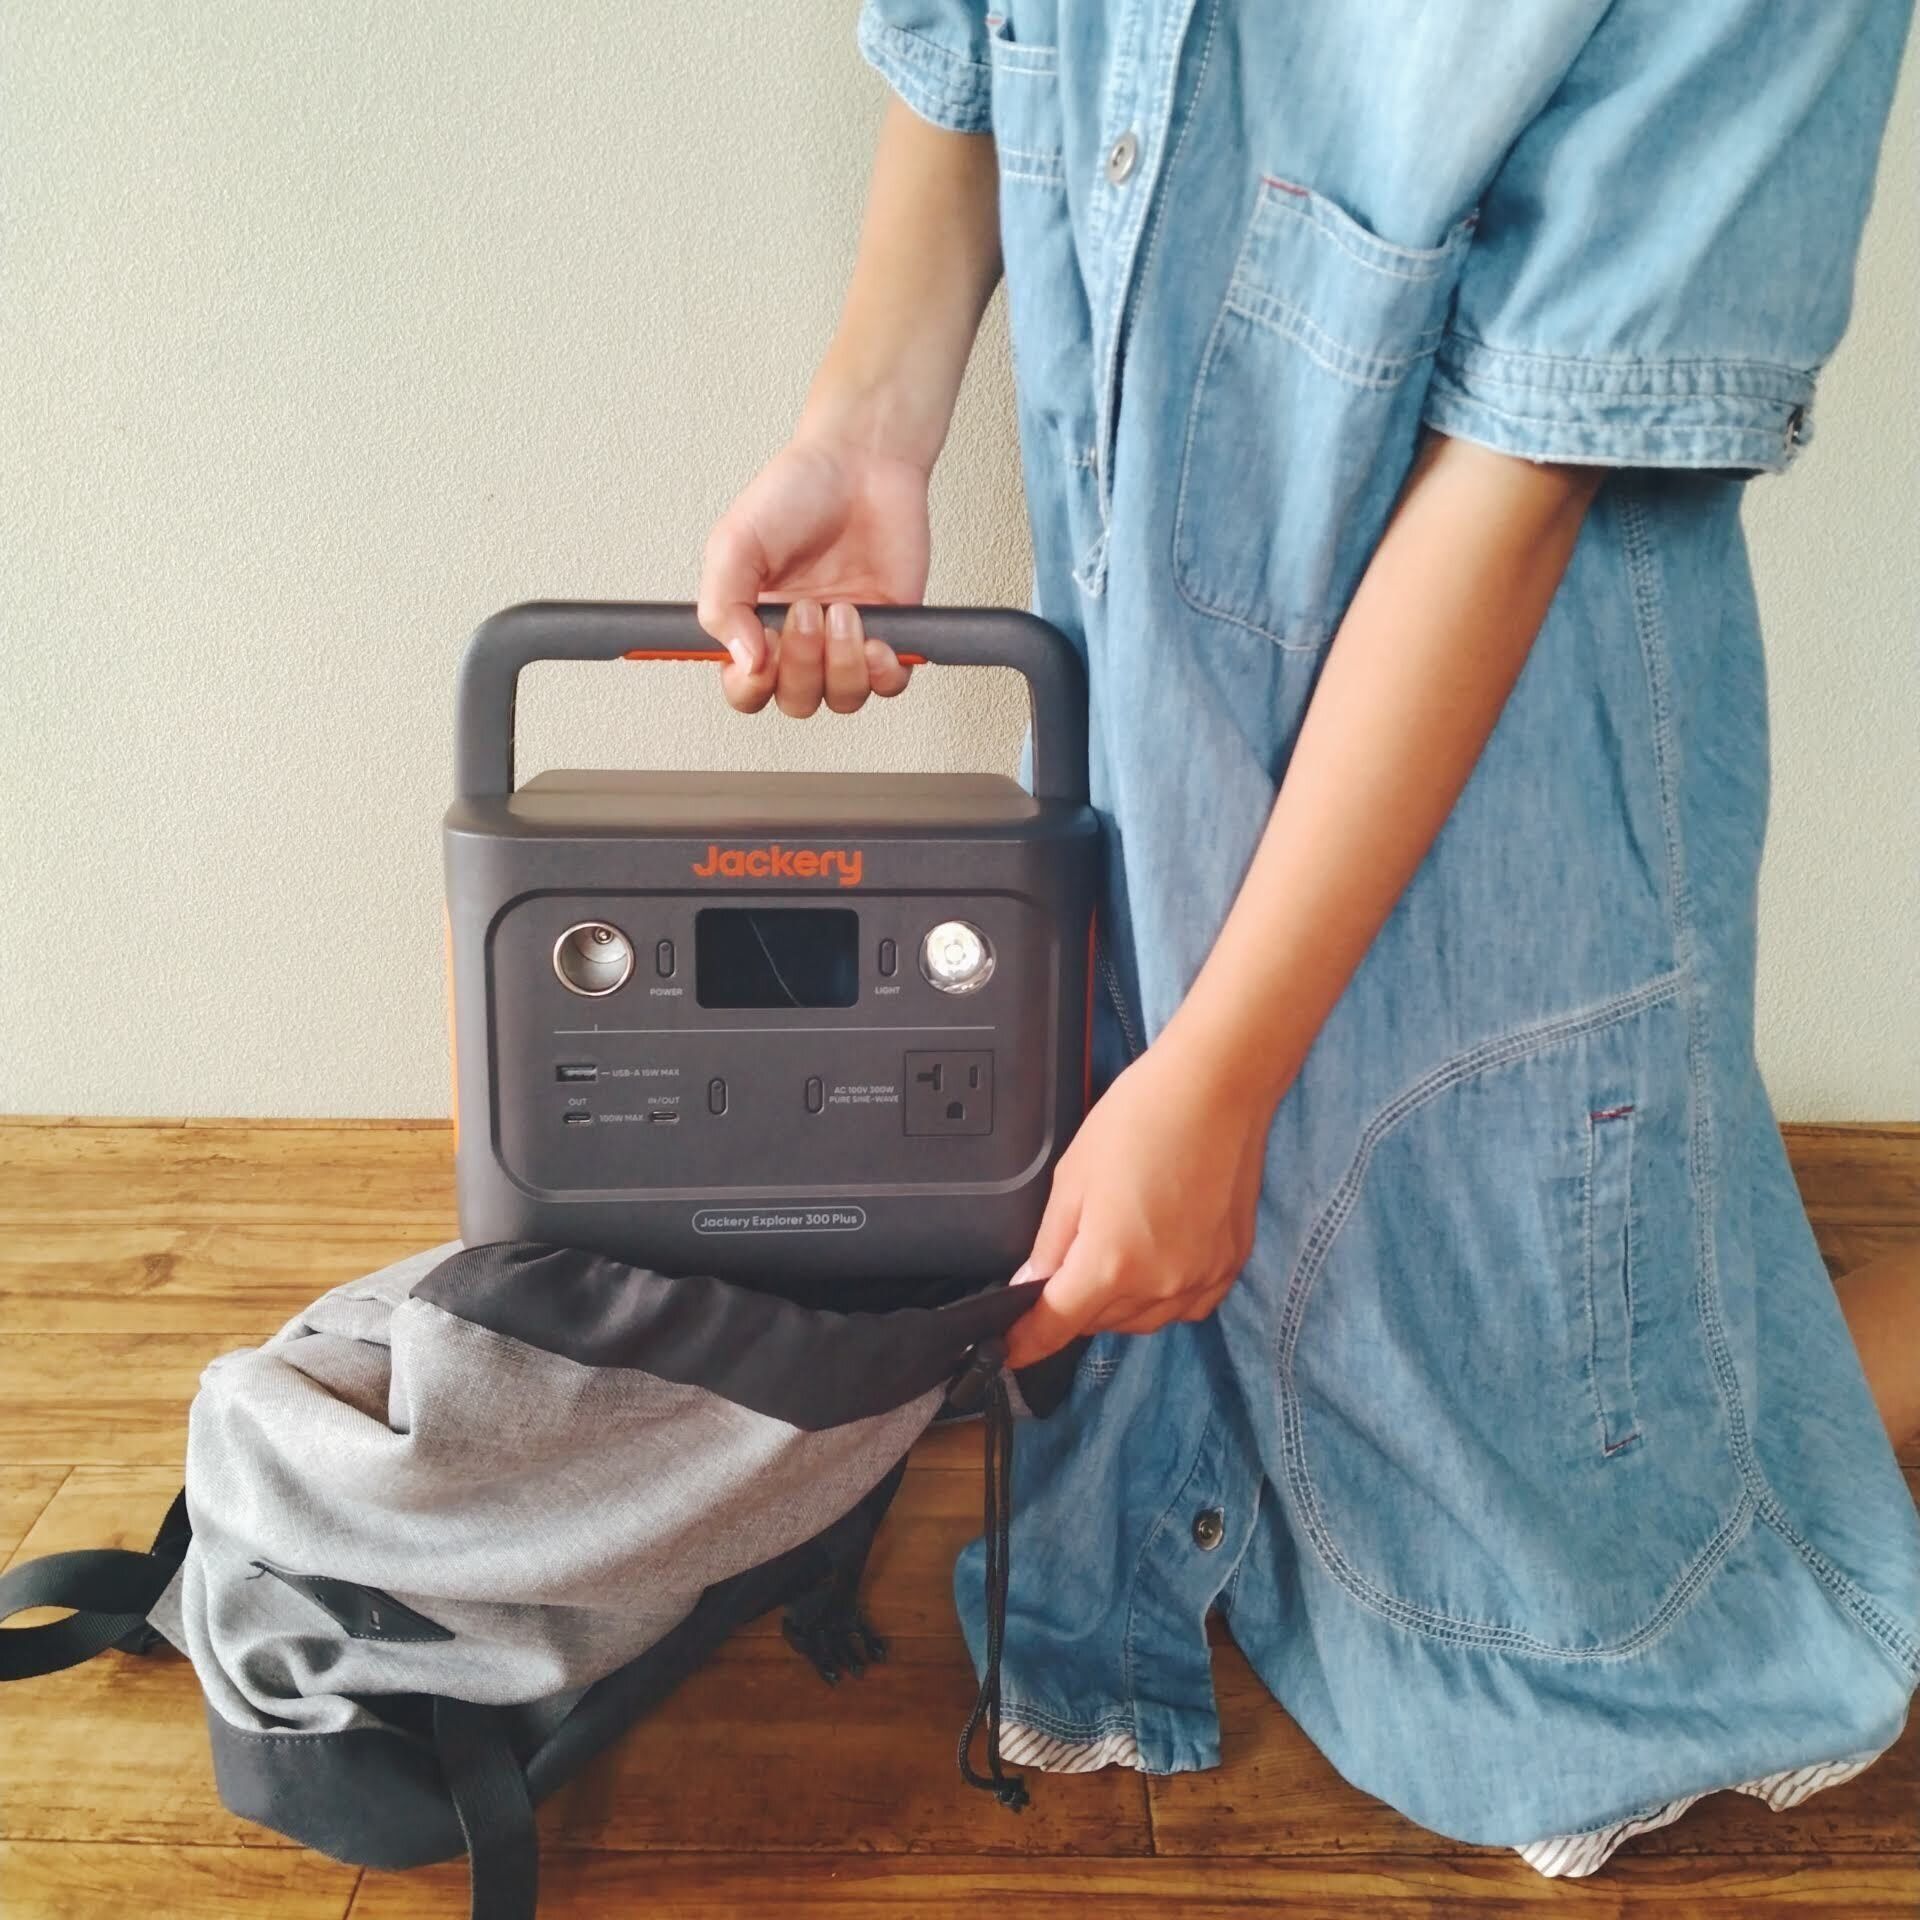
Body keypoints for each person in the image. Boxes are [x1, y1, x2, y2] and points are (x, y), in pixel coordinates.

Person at [697, 0, 1919, 1877]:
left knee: (1584, 1562)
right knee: (1212, 1354)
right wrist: (866, 424)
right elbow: (982, 41)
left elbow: (1531, 456)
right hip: (1150, 754)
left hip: (1497, 809)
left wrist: (1222, 1075)